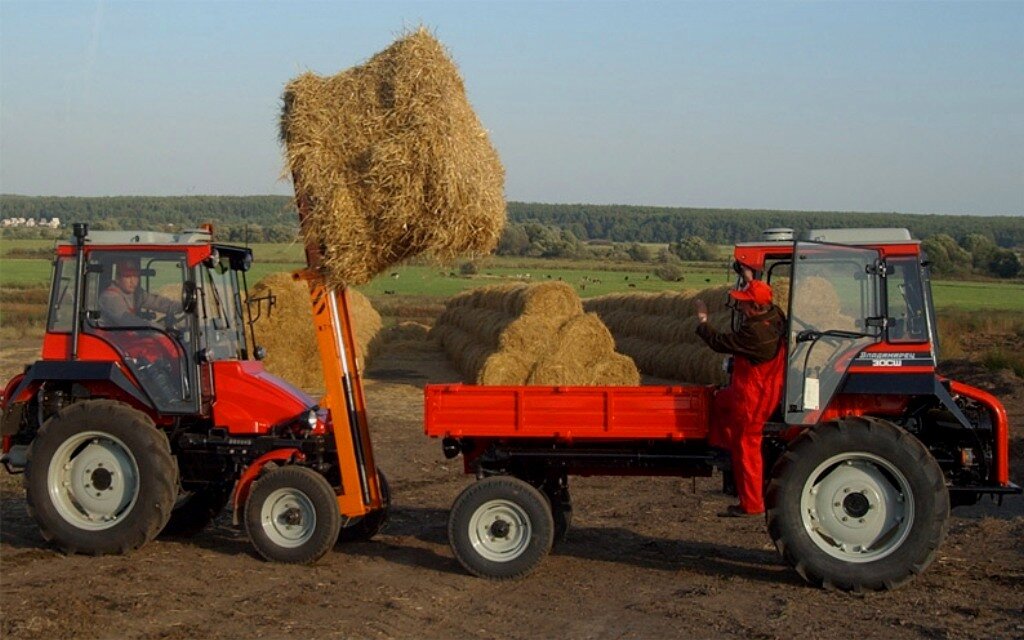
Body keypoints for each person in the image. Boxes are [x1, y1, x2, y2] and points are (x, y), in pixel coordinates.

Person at [695, 278, 786, 517]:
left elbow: (719, 343)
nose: (740, 306)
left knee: (748, 445)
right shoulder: (776, 316)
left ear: (755, 307)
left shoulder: (755, 333)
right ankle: (720, 447)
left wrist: (703, 321)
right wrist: (748, 277)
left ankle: (752, 504)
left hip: (754, 395)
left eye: (745, 303)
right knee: (717, 400)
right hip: (755, 387)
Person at [99, 259, 181, 327]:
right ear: (117, 278)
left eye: (136, 276)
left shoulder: (137, 294)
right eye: (128, 276)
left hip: (125, 337)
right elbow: (129, 322)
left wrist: (183, 307)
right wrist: (158, 327)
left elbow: (158, 303)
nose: (133, 281)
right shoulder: (110, 298)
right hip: (111, 340)